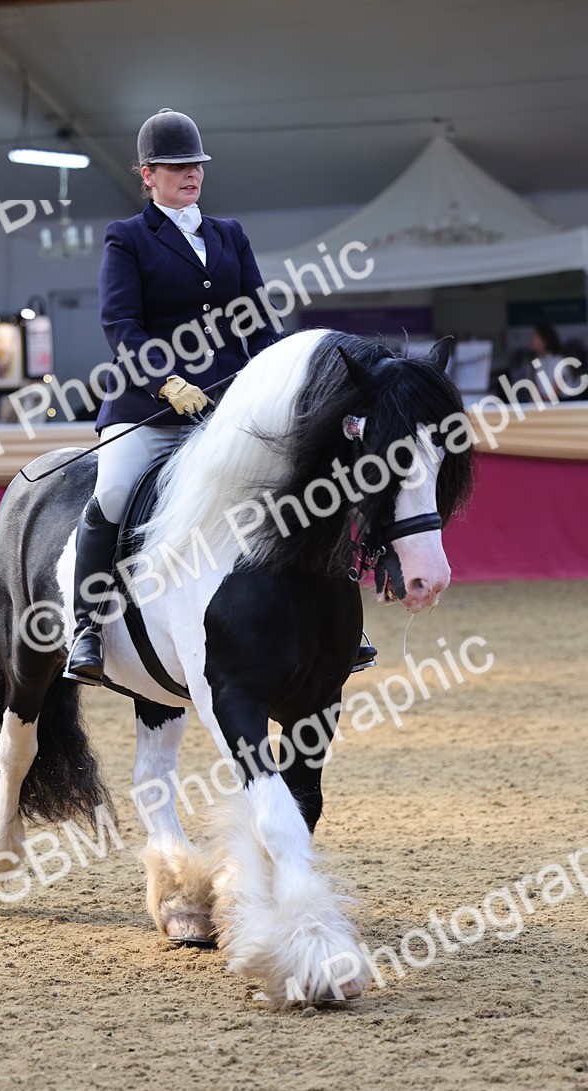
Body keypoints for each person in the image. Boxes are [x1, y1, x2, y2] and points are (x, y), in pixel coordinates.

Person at [63, 107, 376, 683]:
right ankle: (87, 627)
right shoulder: (127, 238)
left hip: (228, 407)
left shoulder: (229, 234)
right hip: (149, 406)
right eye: (177, 167)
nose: (191, 174)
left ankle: (338, 618)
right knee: (112, 495)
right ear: (148, 175)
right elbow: (121, 325)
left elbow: (258, 321)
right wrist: (165, 380)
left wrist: (286, 381)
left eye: (197, 165)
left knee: (304, 483)